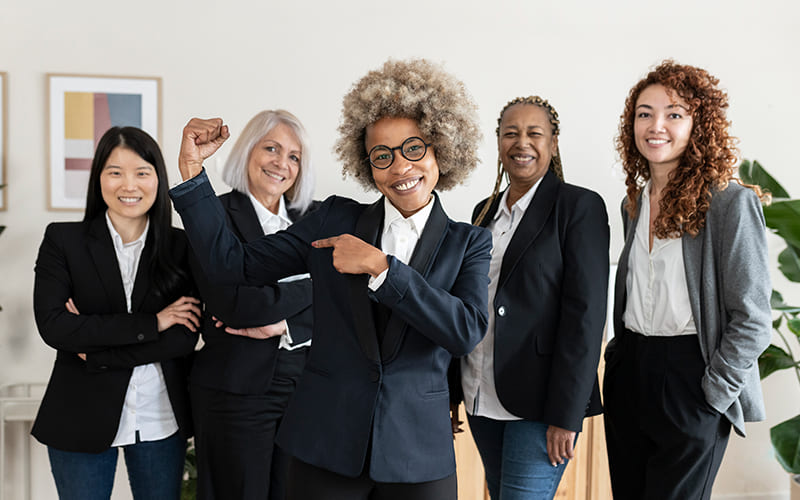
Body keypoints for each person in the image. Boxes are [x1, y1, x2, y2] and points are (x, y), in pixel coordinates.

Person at [169, 58, 490, 500]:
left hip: (417, 454)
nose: (400, 167)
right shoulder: (334, 218)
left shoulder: (469, 242)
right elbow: (234, 266)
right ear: (367, 163)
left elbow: (465, 331)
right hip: (325, 447)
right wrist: (192, 175)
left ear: (440, 149)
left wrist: (382, 269)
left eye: (414, 148)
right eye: (383, 155)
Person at [603, 60, 772, 500]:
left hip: (691, 377)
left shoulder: (730, 203)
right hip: (630, 373)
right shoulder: (633, 205)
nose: (656, 125)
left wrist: (713, 392)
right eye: (644, 113)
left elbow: (753, 318)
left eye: (674, 114)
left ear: (699, 124)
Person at [449, 96, 610, 500]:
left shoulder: (578, 207)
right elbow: (468, 303)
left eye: (534, 133)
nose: (522, 142)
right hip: (482, 394)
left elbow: (586, 318)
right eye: (511, 133)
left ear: (553, 143)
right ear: (499, 143)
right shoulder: (482, 212)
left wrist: (566, 415)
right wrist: (453, 390)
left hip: (540, 405)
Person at [32, 126, 201, 500]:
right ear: (99, 178)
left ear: (158, 177)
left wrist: (93, 349)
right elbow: (56, 327)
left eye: (142, 172)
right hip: (79, 417)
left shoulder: (180, 246)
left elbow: (184, 336)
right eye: (115, 172)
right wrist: (153, 323)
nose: (129, 185)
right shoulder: (63, 241)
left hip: (161, 419)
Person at [188, 109, 317, 500]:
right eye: (272, 148)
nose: (282, 163)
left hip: (305, 390)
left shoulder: (315, 218)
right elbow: (237, 305)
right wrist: (316, 285)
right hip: (237, 392)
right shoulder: (216, 217)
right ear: (247, 151)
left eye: (294, 156)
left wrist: (285, 324)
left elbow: (348, 298)